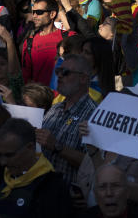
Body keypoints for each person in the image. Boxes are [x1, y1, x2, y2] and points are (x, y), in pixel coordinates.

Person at [38, 54, 97, 185]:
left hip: (69, 196)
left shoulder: (94, 115)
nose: (59, 76)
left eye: (66, 72)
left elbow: (94, 163)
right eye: (58, 71)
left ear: (83, 78)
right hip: (41, 190)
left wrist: (57, 146)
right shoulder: (55, 107)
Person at [20, 0, 72, 84]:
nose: (34, 16)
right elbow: (26, 77)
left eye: (39, 12)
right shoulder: (29, 43)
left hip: (63, 96)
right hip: (40, 96)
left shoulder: (69, 37)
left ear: (52, 14)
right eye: (33, 12)